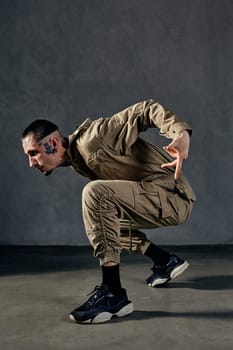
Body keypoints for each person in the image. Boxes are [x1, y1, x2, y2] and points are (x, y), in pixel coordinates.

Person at [21, 99, 196, 324]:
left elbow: (144, 110)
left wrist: (181, 133)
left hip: (172, 197)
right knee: (104, 220)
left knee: (95, 193)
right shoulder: (77, 157)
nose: (30, 163)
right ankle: (164, 261)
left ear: (53, 143)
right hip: (156, 196)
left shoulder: (94, 138)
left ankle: (113, 294)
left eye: (33, 153)